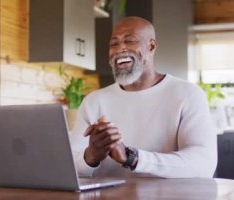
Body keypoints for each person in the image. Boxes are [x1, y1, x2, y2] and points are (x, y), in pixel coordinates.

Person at [70, 16, 217, 178]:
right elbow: (70, 167)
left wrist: (132, 158)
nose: (120, 49)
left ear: (151, 46)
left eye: (130, 41)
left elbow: (203, 164)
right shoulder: (94, 101)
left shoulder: (188, 94)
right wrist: (91, 155)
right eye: (114, 44)